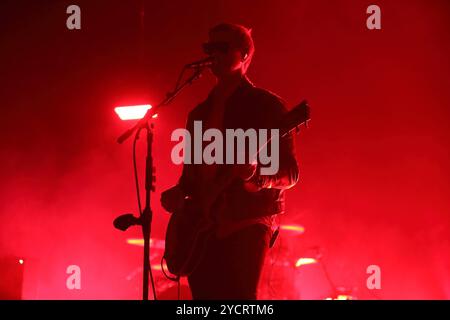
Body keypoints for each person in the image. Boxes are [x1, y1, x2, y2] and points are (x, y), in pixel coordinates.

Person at [161, 23, 299, 299]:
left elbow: (290, 173)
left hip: (245, 222)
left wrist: (256, 175)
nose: (213, 54)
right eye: (209, 48)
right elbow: (191, 176)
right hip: (203, 227)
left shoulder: (266, 106)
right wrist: (179, 193)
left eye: (222, 48)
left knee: (238, 300)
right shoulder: (199, 114)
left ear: (244, 54)